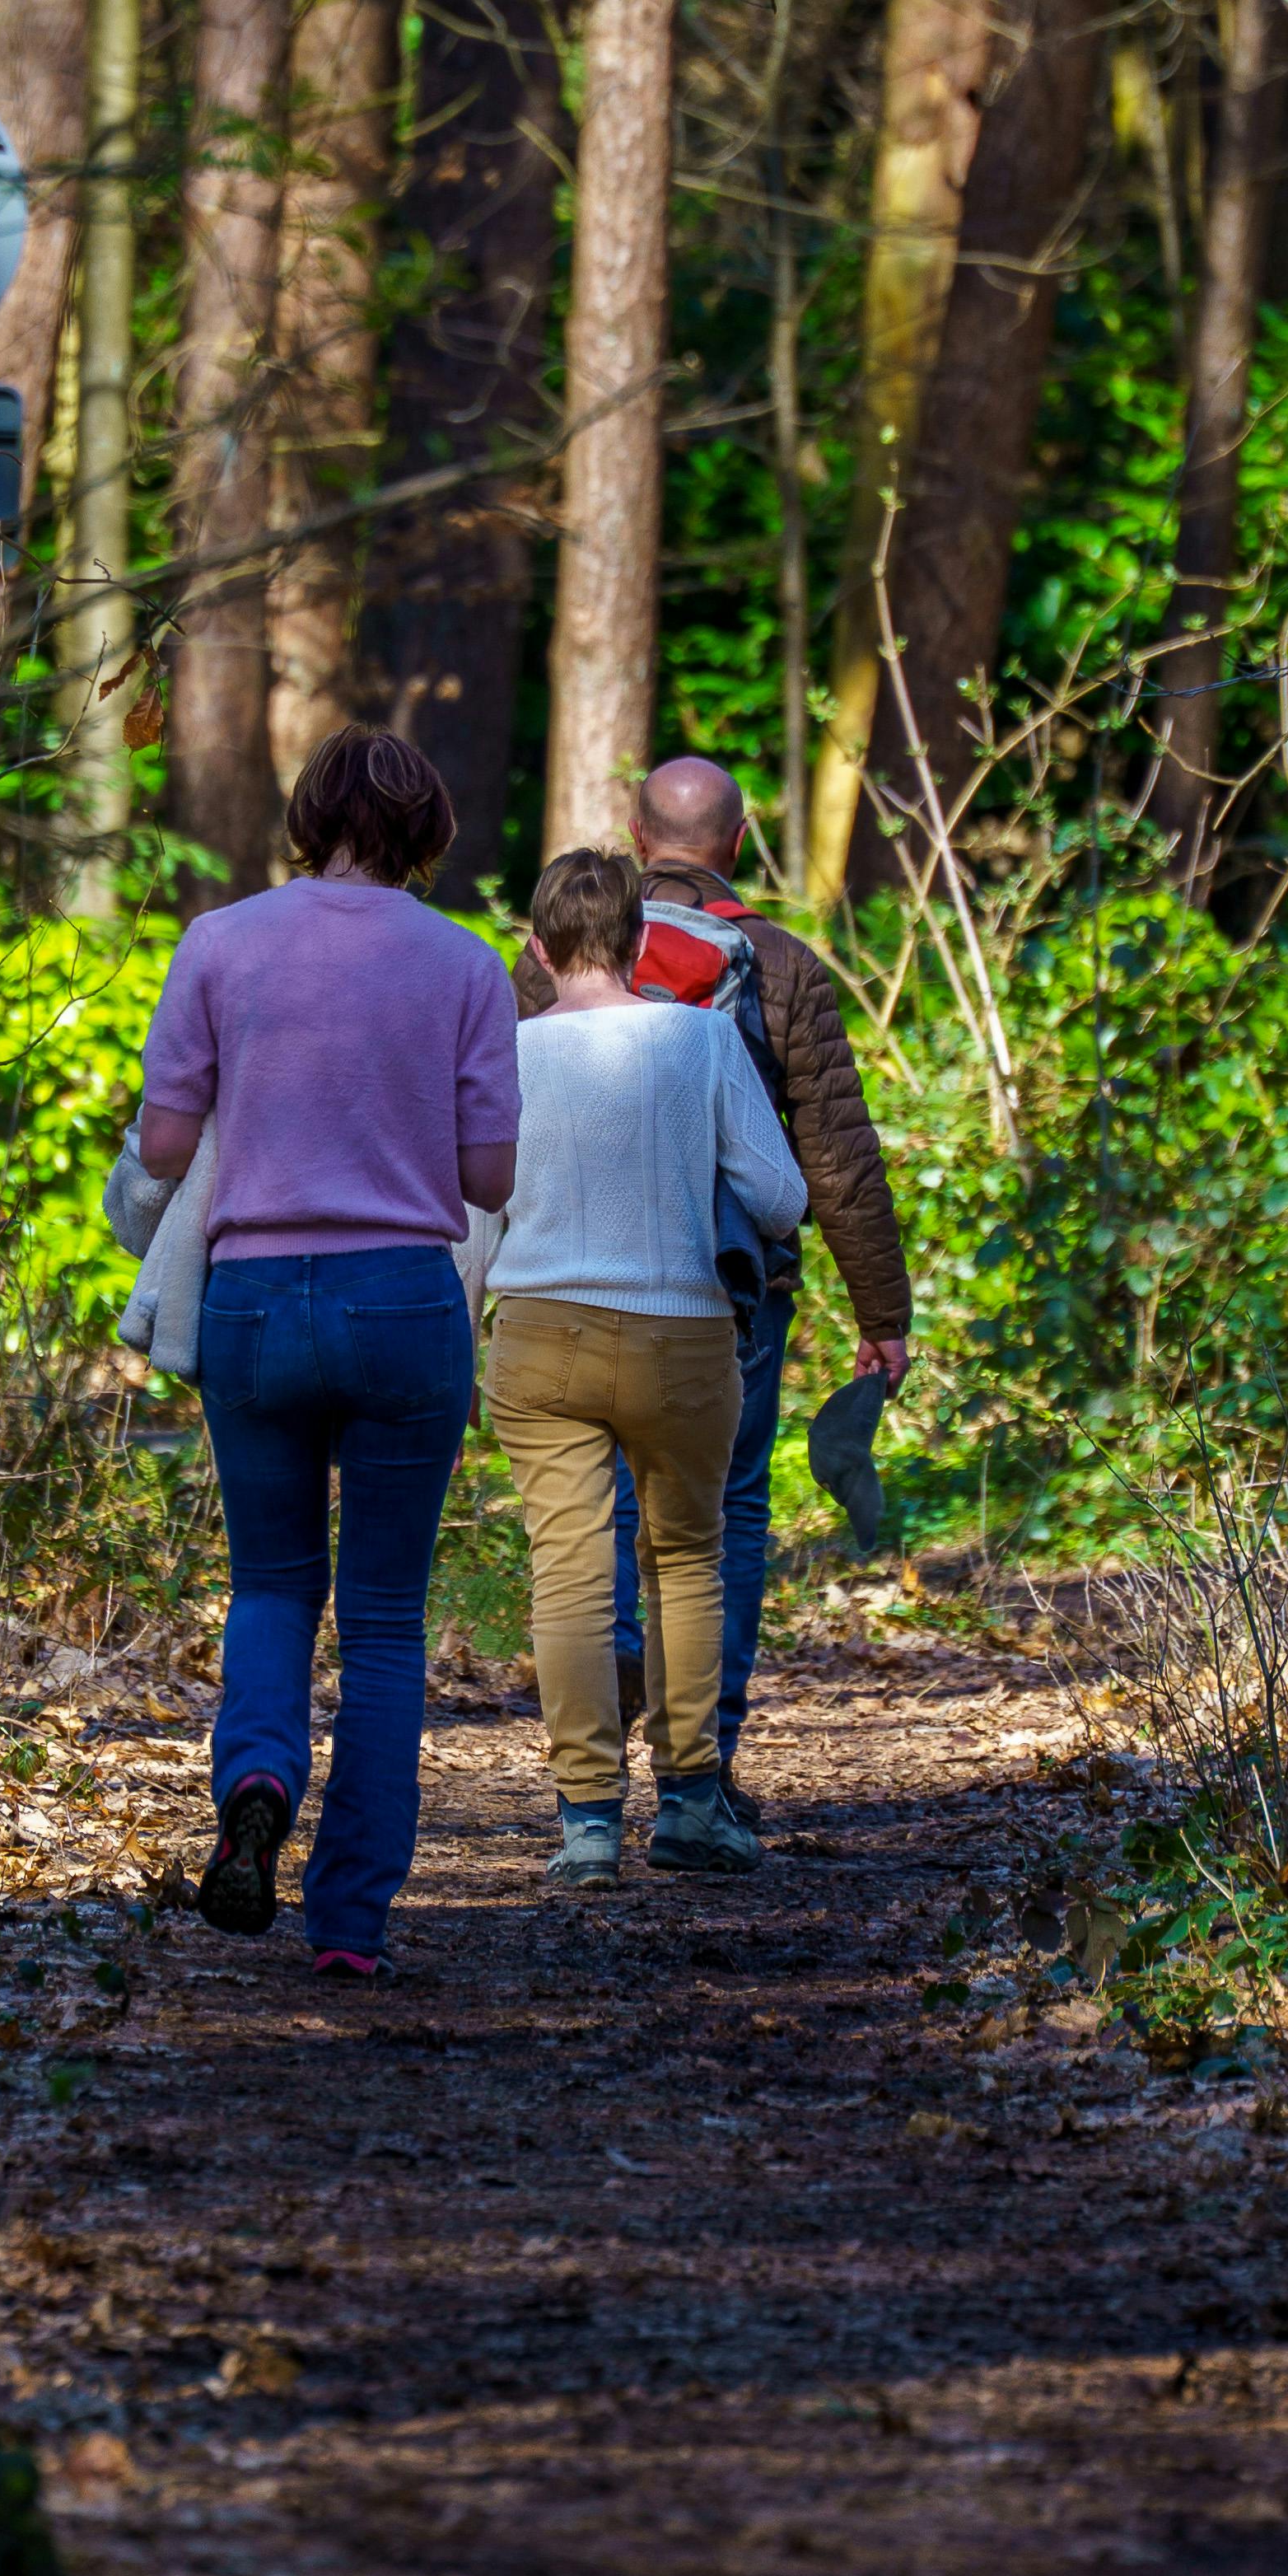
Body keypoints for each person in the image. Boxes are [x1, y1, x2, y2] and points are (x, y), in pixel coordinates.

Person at [137, 723, 520, 1980]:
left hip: (252, 1300)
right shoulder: (464, 965)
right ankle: (350, 1922)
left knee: (272, 1587)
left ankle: (254, 1777)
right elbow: (488, 1177)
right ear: (427, 836)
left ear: (308, 818)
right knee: (390, 1623)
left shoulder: (220, 942)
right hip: (403, 1303)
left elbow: (161, 1148)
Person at [516, 750, 912, 1828]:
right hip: (725, 1294)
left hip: (561, 1293)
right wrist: (883, 1318)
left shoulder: (546, 962)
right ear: (735, 843)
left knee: (588, 1529)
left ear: (640, 841)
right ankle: (703, 1776)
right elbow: (834, 1161)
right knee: (721, 1521)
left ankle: (612, 1704)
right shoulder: (780, 967)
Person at [487, 847, 810, 1890]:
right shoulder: (702, 1038)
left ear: (538, 949)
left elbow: (470, 1206)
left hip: (537, 1333)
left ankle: (585, 1824)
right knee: (684, 1559)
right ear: (638, 942)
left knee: (569, 1573)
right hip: (682, 1333)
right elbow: (780, 1196)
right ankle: (688, 1806)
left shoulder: (506, 1053)